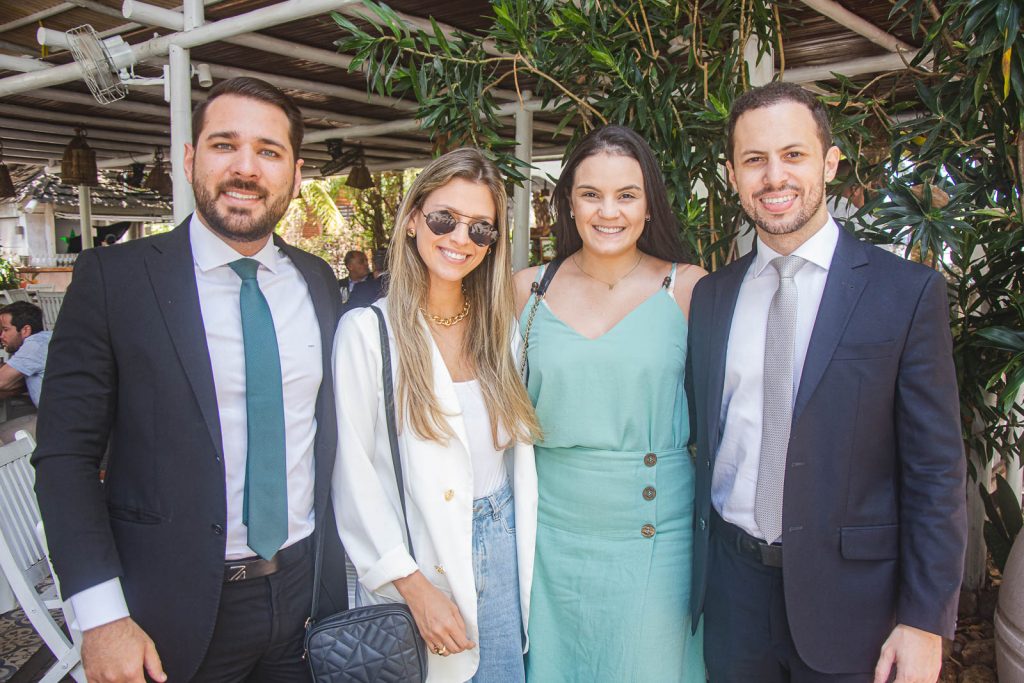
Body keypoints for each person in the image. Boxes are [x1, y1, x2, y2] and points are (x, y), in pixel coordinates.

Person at [32, 77, 347, 683]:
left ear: (296, 173)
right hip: (168, 612)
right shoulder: (113, 279)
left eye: (269, 151)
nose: (246, 168)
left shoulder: (315, 279)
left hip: (306, 597)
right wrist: (101, 618)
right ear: (189, 158)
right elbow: (66, 456)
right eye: (224, 144)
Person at [688, 81, 967, 683]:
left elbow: (936, 469)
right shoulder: (713, 296)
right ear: (733, 174)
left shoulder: (905, 293)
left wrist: (925, 620)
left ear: (830, 163)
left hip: (855, 603)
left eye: (794, 155)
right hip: (733, 595)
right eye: (754, 160)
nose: (774, 177)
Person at [333, 148, 542, 682]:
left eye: (481, 229)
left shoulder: (501, 330)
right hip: (421, 556)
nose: (459, 239)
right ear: (411, 220)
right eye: (444, 218)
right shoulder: (367, 333)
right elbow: (354, 478)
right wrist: (413, 586)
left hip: (503, 544)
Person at [512, 125, 707, 681]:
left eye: (627, 195)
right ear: (569, 203)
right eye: (591, 194)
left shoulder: (688, 287)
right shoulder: (527, 289)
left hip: (656, 534)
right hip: (548, 534)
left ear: (650, 207)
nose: (608, 211)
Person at [0, 301, 51, 406]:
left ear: (25, 330)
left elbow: (2, 381)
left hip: (61, 419)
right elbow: (16, 382)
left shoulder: (34, 345)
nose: (1, 336)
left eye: (6, 330)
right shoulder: (46, 338)